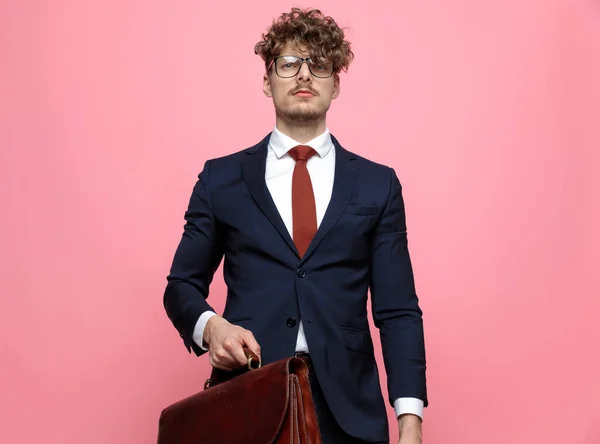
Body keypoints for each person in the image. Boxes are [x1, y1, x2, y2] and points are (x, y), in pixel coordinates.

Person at [163, 7, 428, 444]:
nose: (304, 75)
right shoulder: (221, 179)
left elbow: (398, 310)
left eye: (319, 65)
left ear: (335, 83)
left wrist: (410, 420)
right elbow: (180, 286)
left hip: (349, 411)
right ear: (267, 81)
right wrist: (212, 327)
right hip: (248, 398)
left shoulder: (377, 183)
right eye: (289, 64)